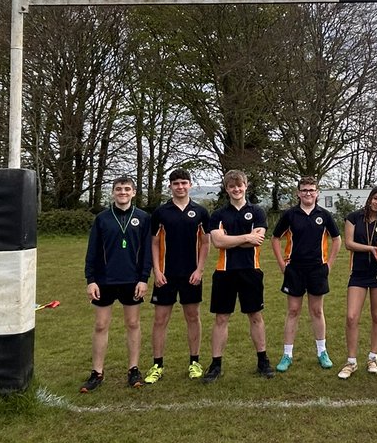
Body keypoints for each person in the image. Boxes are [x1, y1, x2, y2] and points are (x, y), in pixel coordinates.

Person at [81, 176, 152, 392]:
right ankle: (97, 372)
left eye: (127, 189)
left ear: (134, 192)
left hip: (132, 280)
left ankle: (133, 369)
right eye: (119, 189)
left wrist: (144, 278)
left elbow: (147, 251)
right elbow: (92, 251)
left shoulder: (143, 217)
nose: (123, 192)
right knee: (101, 325)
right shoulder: (102, 219)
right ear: (113, 192)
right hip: (104, 281)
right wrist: (91, 280)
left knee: (132, 324)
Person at [145, 168, 211, 383]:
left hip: (191, 275)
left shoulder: (200, 212)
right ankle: (157, 365)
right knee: (160, 319)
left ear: (190, 184)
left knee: (193, 317)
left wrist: (200, 269)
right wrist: (157, 270)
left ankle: (194, 362)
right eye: (176, 184)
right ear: (170, 186)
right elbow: (154, 243)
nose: (180, 187)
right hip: (166, 275)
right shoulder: (161, 213)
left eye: (184, 183)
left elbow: (205, 243)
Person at [206, 169, 272, 380]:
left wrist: (231, 240)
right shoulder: (218, 214)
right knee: (221, 318)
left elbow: (258, 240)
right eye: (232, 186)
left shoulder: (258, 212)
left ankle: (263, 361)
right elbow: (217, 242)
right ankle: (216, 365)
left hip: (251, 271)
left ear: (246, 186)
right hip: (224, 272)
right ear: (227, 189)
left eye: (239, 185)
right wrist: (246, 237)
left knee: (255, 316)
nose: (236, 189)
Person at [272, 177, 341, 371]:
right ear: (298, 193)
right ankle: (287, 354)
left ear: (317, 192)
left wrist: (329, 265)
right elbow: (275, 238)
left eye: (311, 190)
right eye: (304, 190)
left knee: (317, 311)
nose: (308, 193)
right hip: (294, 270)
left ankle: (322, 352)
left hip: (318, 269)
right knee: (293, 311)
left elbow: (337, 239)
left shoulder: (324, 215)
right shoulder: (290, 214)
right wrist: (281, 265)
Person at [337, 186, 377, 377]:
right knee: (352, 316)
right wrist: (370, 249)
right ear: (370, 198)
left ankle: (373, 358)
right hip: (358, 273)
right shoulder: (353, 217)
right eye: (375, 198)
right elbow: (348, 244)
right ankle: (351, 362)